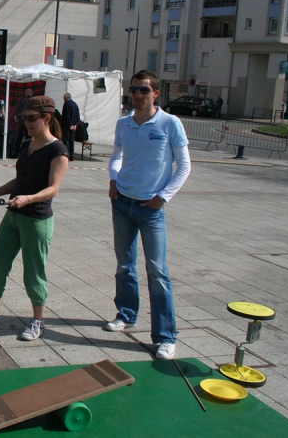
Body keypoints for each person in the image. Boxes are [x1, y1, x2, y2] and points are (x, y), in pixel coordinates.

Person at [105, 70, 191, 361]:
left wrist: (162, 197)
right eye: (134, 90)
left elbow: (184, 166)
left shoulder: (169, 123)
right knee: (124, 265)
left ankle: (166, 337)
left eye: (144, 90)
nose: (138, 95)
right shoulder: (124, 124)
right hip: (122, 203)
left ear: (156, 93)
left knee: (157, 271)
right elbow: (116, 156)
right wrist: (114, 180)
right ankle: (127, 315)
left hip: (151, 209)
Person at [0, 96, 68, 340]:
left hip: (37, 220)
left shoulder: (58, 150)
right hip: (13, 217)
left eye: (32, 118)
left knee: (34, 274)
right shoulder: (27, 145)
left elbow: (53, 188)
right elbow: (19, 181)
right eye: (24, 119)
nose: (27, 123)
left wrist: (28, 199)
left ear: (47, 118)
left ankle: (38, 322)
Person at [13, 88, 33, 157]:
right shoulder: (34, 101)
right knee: (29, 139)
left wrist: (20, 120)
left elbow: (17, 112)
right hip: (31, 123)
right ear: (31, 94)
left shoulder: (22, 101)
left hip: (22, 123)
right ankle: (28, 153)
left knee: (19, 138)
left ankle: (16, 153)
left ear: (25, 94)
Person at [61, 92, 81, 159]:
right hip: (74, 126)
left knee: (66, 140)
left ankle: (67, 154)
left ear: (65, 98)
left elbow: (66, 115)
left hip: (67, 126)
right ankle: (72, 155)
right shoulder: (75, 104)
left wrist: (69, 125)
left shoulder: (66, 104)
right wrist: (75, 124)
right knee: (71, 140)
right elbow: (77, 116)